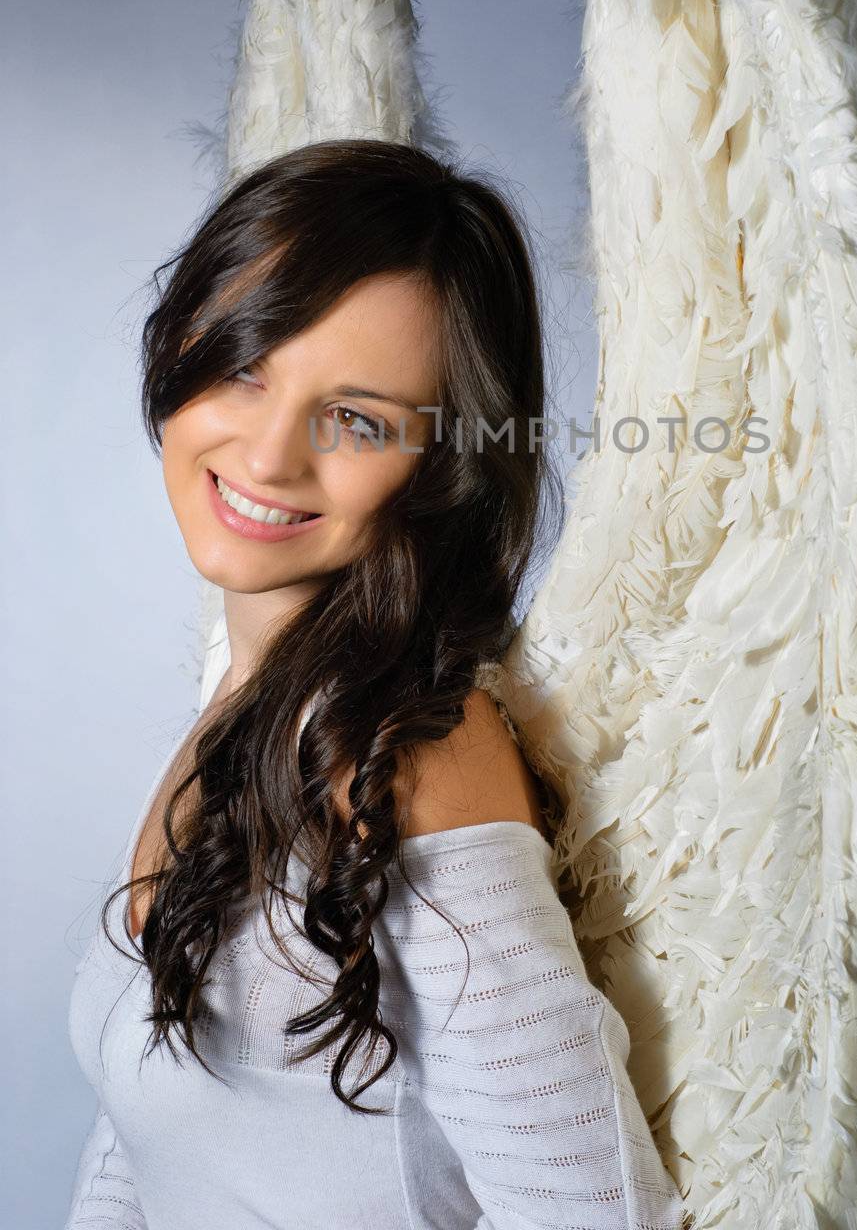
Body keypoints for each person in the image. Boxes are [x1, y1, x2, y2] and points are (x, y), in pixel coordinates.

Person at [64, 138, 689, 1228]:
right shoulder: (237, 715)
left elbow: (594, 1212)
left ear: (441, 468)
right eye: (248, 364)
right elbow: (145, 1145)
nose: (267, 456)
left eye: (356, 420)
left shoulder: (421, 756)